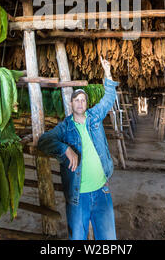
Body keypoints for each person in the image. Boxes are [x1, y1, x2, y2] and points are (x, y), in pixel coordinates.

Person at [37, 56, 119, 240]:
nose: (80, 103)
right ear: (71, 104)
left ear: (86, 104)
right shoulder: (64, 127)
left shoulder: (94, 117)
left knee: (108, 240)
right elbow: (43, 141)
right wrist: (65, 148)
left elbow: (108, 99)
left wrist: (107, 72)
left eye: (83, 100)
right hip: (77, 196)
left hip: (102, 190)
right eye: (77, 100)